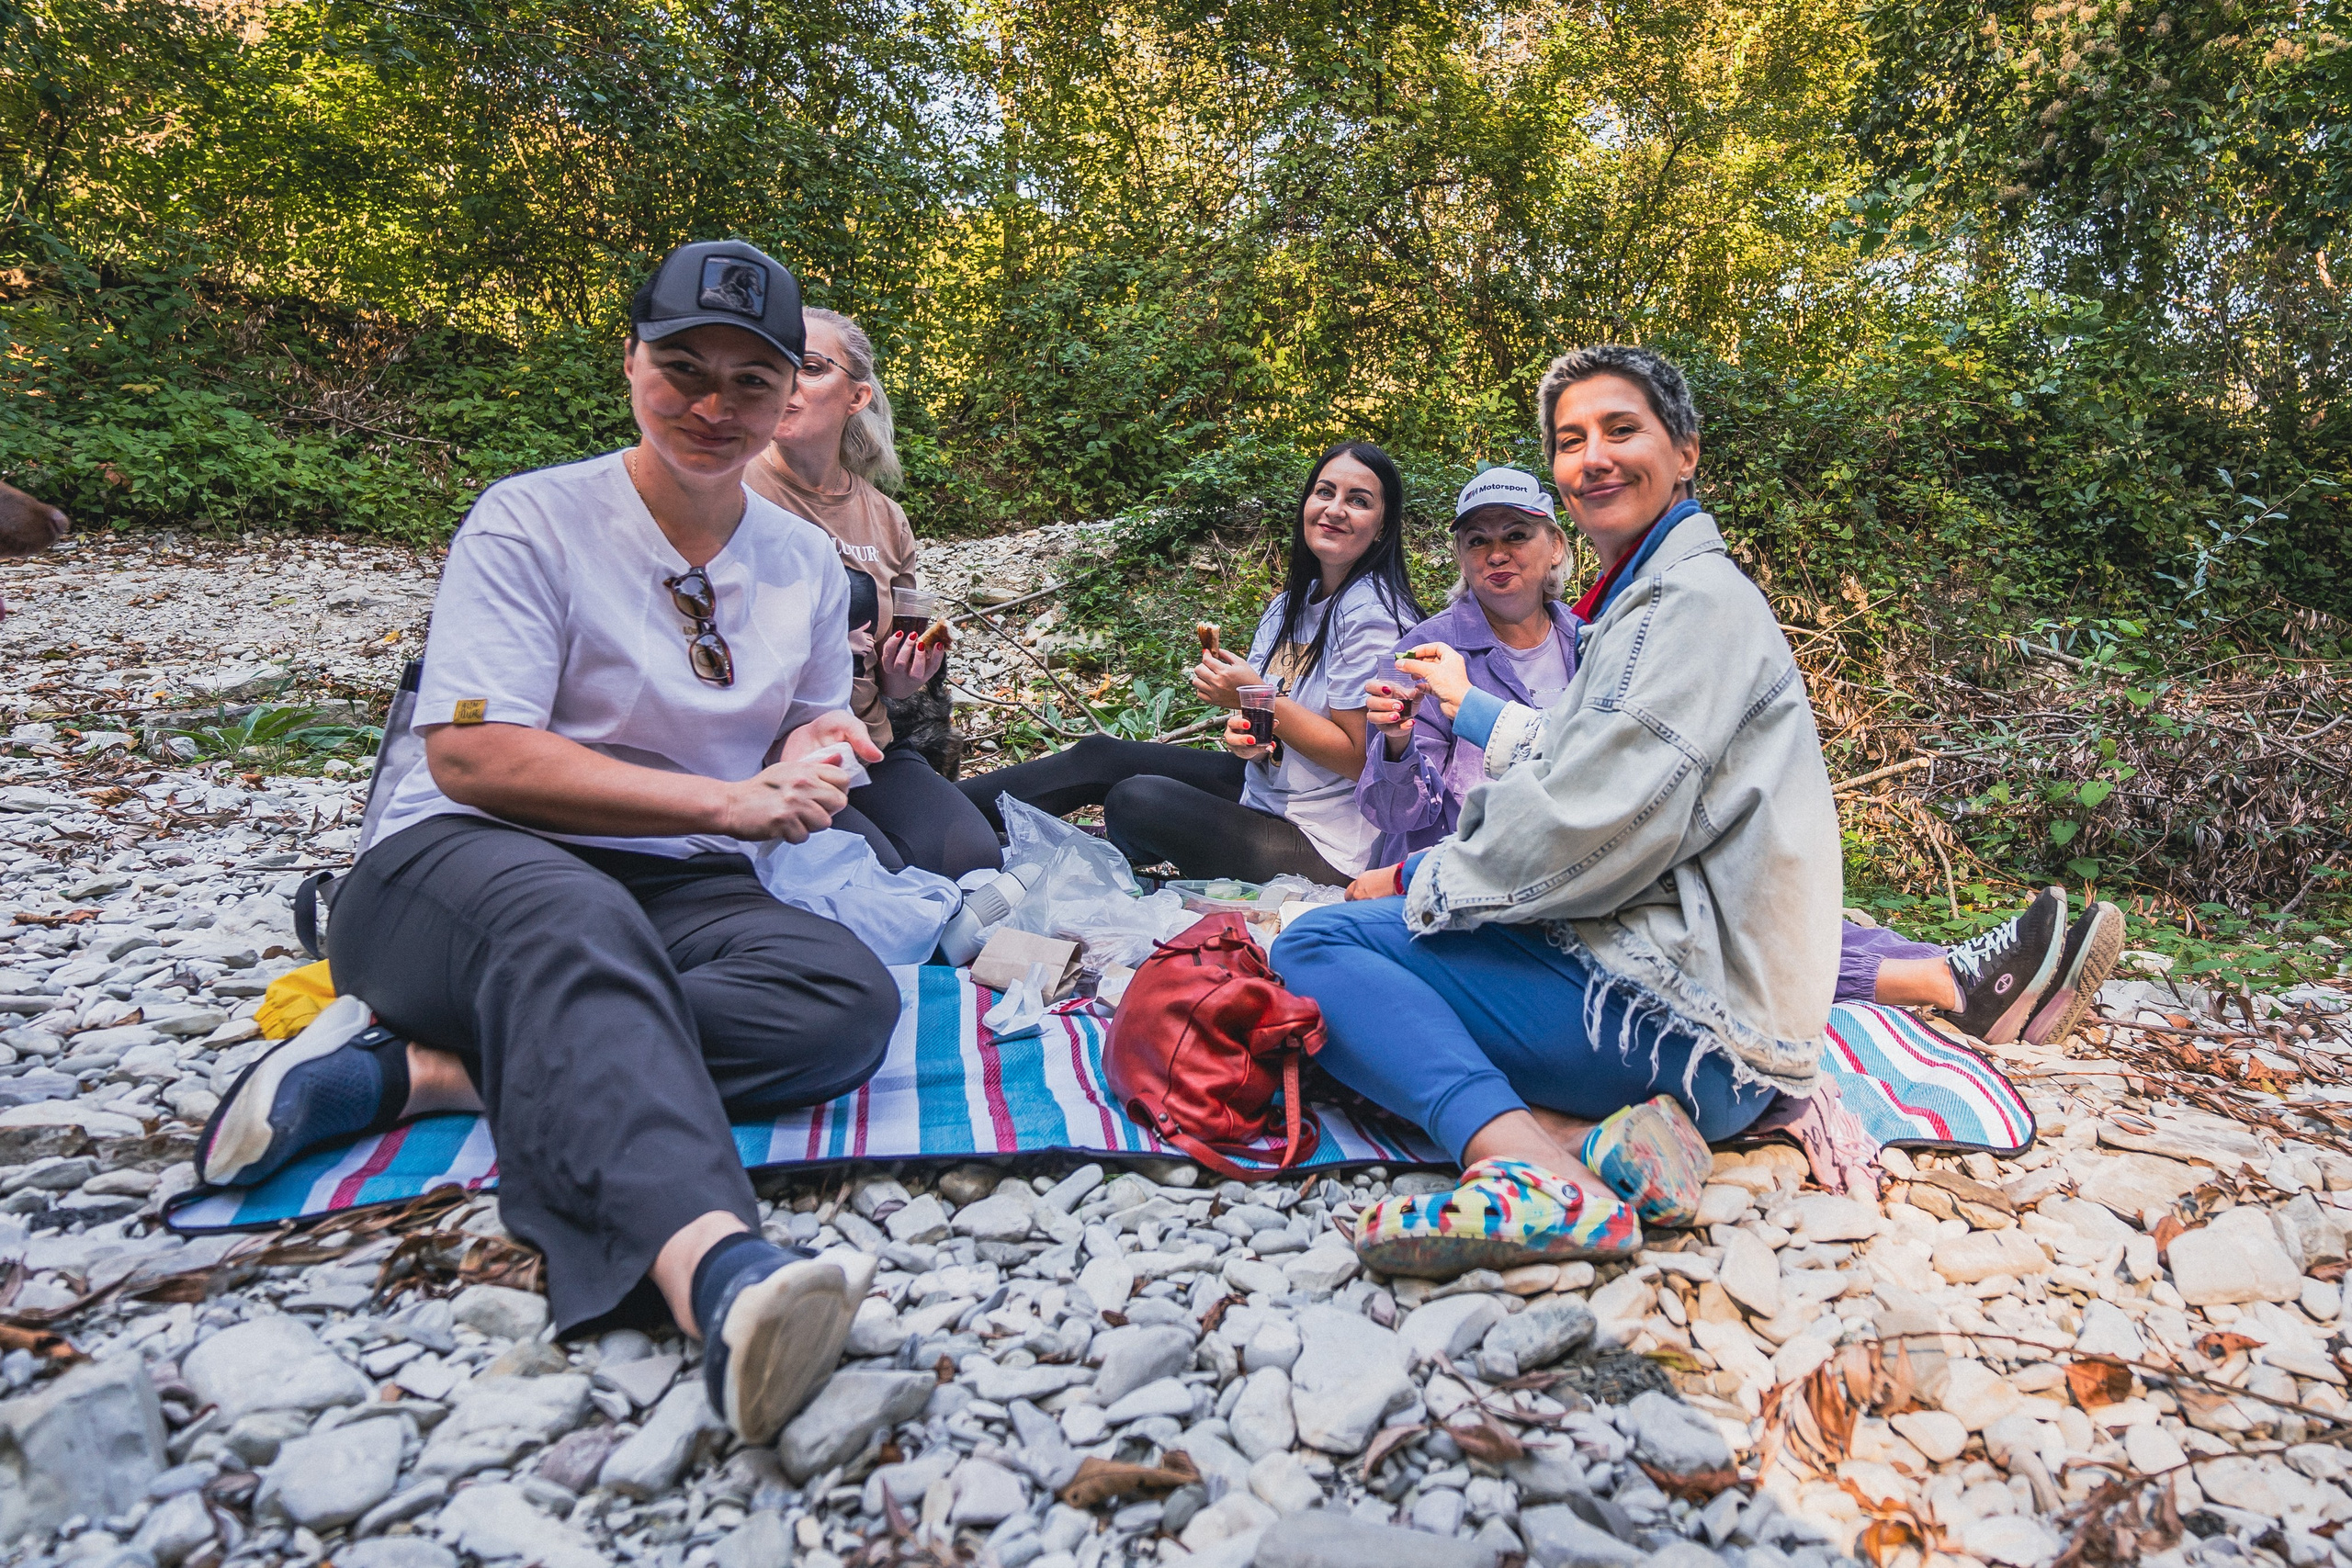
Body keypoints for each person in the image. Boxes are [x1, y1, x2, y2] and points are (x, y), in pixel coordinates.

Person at [194, 241, 897, 1443]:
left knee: (841, 997)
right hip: (456, 862)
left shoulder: (806, 565)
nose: (712, 406)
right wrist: (727, 804)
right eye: (682, 368)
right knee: (577, 922)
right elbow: (474, 757)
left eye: (748, 381)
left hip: (669, 874)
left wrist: (825, 738)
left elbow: (801, 721)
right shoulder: (533, 518)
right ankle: (716, 1274)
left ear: (789, 398)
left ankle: (418, 1075)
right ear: (628, 361)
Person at [1272, 344, 1843, 1279]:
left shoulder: (1659, 611)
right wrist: (1407, 746)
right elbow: (1545, 766)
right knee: (1358, 927)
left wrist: (1416, 881)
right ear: (1459, 554)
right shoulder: (1619, 608)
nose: (1594, 458)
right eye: (1572, 442)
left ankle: (1529, 1168)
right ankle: (1581, 1139)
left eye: (1622, 431)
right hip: (1706, 998)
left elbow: (1589, 816)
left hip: (1695, 1021)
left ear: (1685, 452)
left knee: (1315, 950)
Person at [1353, 468, 2125, 1047]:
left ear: (1555, 546)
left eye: (1516, 534)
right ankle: (1951, 981)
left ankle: (1972, 971)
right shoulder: (1426, 651)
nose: (1498, 555)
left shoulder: (1595, 641)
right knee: (1695, 906)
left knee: (1733, 861)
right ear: (1457, 554)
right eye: (1477, 539)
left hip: (1600, 844)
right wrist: (1393, 742)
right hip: (1484, 870)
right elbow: (1397, 822)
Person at [957, 441, 1425, 885]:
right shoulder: (1290, 605)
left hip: (1330, 844)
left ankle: (1038, 850)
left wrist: (1257, 698)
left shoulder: (1372, 617)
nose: (1335, 509)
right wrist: (1245, 735)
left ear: (1382, 526)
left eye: (1358, 500)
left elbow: (1362, 759)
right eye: (1325, 492)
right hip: (1269, 793)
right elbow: (1268, 733)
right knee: (1102, 756)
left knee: (1138, 801)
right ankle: (943, 818)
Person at [745, 306, 1001, 878]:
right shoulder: (730, 487)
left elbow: (890, 669)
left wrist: (902, 675)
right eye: (772, 364)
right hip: (765, 748)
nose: (786, 382)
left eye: (810, 366)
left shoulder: (884, 517)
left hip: (864, 743)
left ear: (856, 397)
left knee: (970, 859)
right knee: (875, 873)